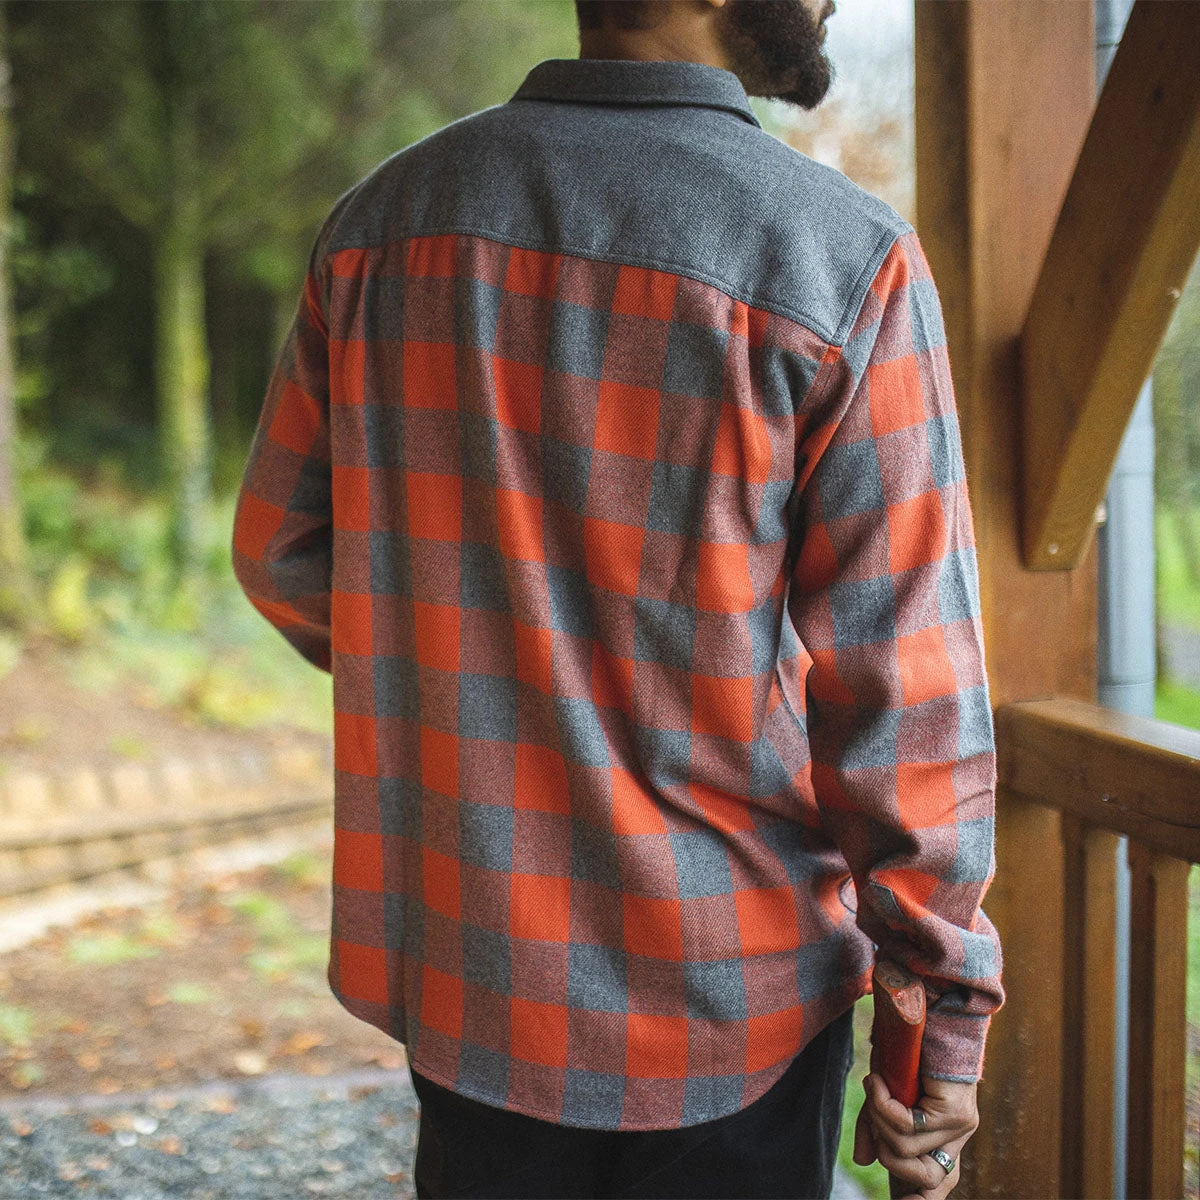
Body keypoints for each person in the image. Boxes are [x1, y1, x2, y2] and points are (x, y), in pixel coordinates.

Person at [231, 1, 1006, 1196]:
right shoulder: (840, 260)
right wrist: (938, 1020)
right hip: (729, 1000)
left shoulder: (379, 227)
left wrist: (459, 667)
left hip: (470, 979)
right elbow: (910, 697)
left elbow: (280, 550)